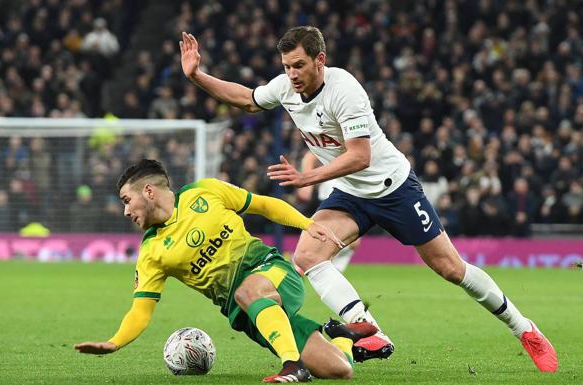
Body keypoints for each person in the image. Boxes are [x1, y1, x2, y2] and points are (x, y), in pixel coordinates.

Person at [179, 26, 558, 372]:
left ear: (320, 60)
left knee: (450, 269)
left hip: (392, 187)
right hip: (351, 193)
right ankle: (370, 328)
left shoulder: (345, 90)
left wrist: (307, 176)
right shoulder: (285, 88)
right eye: (286, 66)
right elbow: (247, 99)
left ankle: (524, 328)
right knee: (309, 255)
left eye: (298, 65)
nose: (291, 74)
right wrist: (197, 75)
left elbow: (361, 156)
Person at [74, 159, 379, 383]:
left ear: (149, 191)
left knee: (249, 291)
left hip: (272, 271)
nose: (126, 211)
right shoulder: (152, 252)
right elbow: (141, 311)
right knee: (339, 370)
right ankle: (341, 335)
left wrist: (308, 224)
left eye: (128, 200)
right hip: (246, 314)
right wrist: (114, 342)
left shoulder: (204, 193)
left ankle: (292, 366)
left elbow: (263, 206)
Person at [296, 151, 359, 273]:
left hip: (352, 187)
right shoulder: (342, 136)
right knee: (334, 237)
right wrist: (306, 185)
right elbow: (310, 156)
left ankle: (307, 267)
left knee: (351, 242)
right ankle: (300, 264)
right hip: (337, 189)